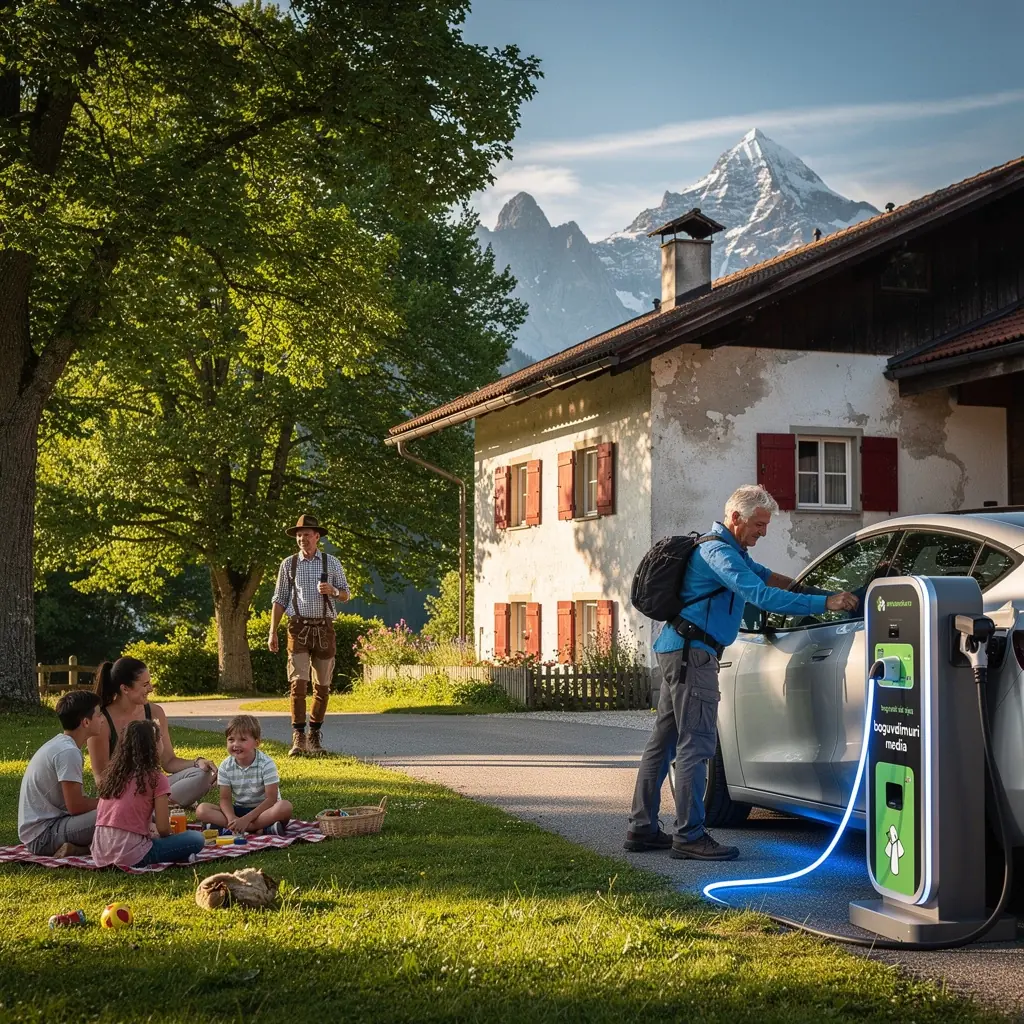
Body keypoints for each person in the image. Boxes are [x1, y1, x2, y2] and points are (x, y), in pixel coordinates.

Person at [626, 484, 859, 861]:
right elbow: (761, 597)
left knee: (664, 742)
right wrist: (824, 603)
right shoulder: (718, 553)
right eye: (758, 524)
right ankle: (689, 836)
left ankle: (642, 828)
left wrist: (818, 588)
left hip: (679, 650)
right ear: (735, 518)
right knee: (696, 745)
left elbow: (770, 580)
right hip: (693, 655)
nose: (763, 532)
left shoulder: (731, 551)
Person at [269, 514, 350, 757]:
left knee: (322, 686)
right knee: (297, 684)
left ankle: (314, 735)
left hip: (324, 628)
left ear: (317, 536)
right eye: (299, 535)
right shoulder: (289, 564)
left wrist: (333, 591)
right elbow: (279, 598)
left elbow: (346, 594)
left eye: (307, 534)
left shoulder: (331, 562)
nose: (303, 538)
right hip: (298, 627)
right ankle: (299, 737)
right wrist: (273, 630)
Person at [87, 657, 217, 806]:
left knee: (201, 773)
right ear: (125, 689)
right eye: (145, 684)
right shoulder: (102, 721)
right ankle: (157, 805)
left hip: (154, 787)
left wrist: (197, 762)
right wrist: (130, 792)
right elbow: (101, 779)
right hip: (124, 793)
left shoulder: (155, 712)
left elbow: (168, 762)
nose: (151, 689)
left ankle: (157, 805)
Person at [91, 719, 205, 868]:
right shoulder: (156, 778)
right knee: (196, 838)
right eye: (160, 740)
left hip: (100, 853)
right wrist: (172, 835)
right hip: (131, 856)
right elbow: (163, 828)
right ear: (155, 746)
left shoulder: (113, 776)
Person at [18, 691, 103, 857]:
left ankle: (79, 849)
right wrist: (111, 802)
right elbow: (76, 806)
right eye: (99, 715)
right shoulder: (68, 752)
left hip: (47, 830)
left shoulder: (62, 745)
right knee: (118, 811)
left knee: (118, 810)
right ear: (86, 722)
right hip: (44, 837)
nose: (102, 719)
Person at [195, 714, 292, 835]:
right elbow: (225, 799)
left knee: (284, 806)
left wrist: (246, 820)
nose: (236, 744)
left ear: (257, 743)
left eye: (243, 739)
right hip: (239, 810)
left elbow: (271, 800)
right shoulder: (226, 766)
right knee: (202, 810)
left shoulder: (267, 764)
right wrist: (232, 818)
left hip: (264, 811)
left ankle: (244, 828)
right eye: (231, 739)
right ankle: (259, 829)